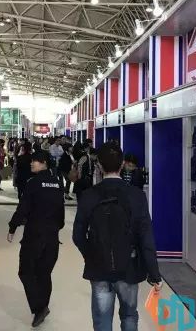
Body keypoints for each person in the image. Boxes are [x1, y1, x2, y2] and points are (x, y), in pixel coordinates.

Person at [73, 142, 162, 331]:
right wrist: (154, 274)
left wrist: (90, 254)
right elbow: (146, 238)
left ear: (99, 165)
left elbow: (77, 235)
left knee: (102, 320)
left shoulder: (89, 195)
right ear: (122, 164)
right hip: (129, 267)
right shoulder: (136, 196)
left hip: (99, 267)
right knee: (129, 316)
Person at [8, 150, 65, 327]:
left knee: (25, 271)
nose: (32, 163)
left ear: (44, 163)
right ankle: (43, 307)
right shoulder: (57, 183)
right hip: (52, 236)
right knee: (44, 273)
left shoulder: (33, 183)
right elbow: (61, 212)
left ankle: (39, 307)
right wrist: (56, 227)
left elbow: (23, 208)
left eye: (36, 161)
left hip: (34, 236)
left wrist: (12, 226)